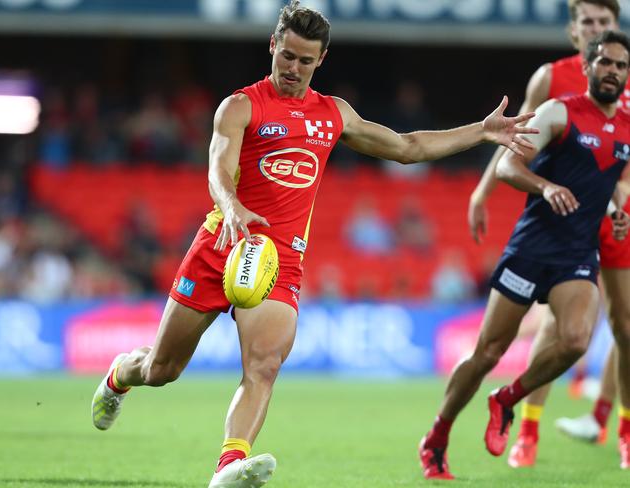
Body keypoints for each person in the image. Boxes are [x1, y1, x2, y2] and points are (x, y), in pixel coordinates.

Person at [90, 2, 537, 487]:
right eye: (287, 56)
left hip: (279, 259)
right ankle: (119, 376)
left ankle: (227, 467)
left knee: (263, 366)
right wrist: (233, 205)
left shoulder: (332, 114)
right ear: (273, 46)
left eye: (305, 60)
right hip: (221, 244)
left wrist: (482, 132)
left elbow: (408, 148)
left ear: (321, 60)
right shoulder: (241, 106)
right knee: (161, 368)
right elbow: (218, 168)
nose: (293, 68)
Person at [419, 30, 630, 480]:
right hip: (532, 247)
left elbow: (610, 177)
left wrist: (615, 210)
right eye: (605, 62)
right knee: (488, 351)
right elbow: (508, 165)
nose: (612, 71)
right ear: (588, 66)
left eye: (620, 65)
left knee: (575, 341)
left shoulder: (628, 126)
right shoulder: (560, 112)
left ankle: (507, 399)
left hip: (576, 252)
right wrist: (546, 186)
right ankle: (438, 435)